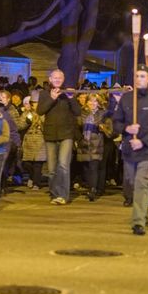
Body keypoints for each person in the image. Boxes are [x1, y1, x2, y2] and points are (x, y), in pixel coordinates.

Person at [113, 64, 148, 235]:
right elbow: (116, 122)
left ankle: (138, 222)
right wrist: (127, 129)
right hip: (130, 151)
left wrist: (144, 141)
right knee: (131, 183)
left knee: (142, 184)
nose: (139, 79)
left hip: (147, 151)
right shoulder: (126, 99)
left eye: (143, 76)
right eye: (137, 76)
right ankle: (142, 214)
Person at [37, 69, 81, 205]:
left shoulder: (68, 93)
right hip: (50, 135)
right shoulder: (44, 94)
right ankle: (54, 193)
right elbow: (40, 111)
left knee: (63, 164)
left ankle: (63, 195)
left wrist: (71, 98)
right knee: (51, 169)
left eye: (60, 78)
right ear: (50, 79)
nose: (57, 80)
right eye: (54, 78)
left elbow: (78, 111)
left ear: (63, 79)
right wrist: (52, 98)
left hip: (66, 134)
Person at [76, 94, 107, 202]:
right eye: (90, 101)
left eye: (95, 101)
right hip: (84, 143)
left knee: (93, 166)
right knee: (86, 168)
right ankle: (90, 186)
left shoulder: (102, 113)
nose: (93, 104)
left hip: (96, 143)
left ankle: (92, 190)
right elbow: (78, 125)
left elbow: (106, 126)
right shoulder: (82, 113)